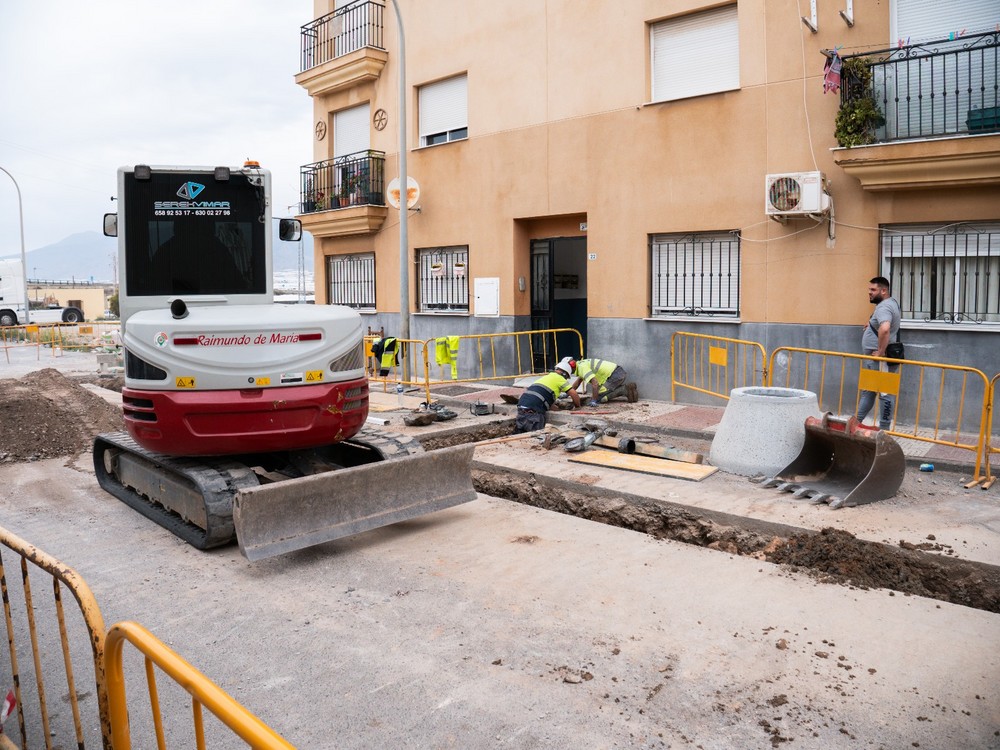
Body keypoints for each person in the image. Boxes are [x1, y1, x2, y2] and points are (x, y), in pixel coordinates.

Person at [856, 276, 901, 430]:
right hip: (874, 361)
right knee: (868, 391)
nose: (869, 293)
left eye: (873, 290)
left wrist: (881, 352)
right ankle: (857, 423)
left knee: (885, 394)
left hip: (880, 360)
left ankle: (884, 430)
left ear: (884, 290)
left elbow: (885, 328)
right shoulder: (890, 303)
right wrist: (871, 322)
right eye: (869, 289)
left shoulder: (884, 307)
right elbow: (882, 322)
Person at [513, 357, 576, 433]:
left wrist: (559, 410)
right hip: (533, 412)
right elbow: (574, 394)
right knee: (537, 437)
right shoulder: (560, 378)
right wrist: (578, 405)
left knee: (521, 437)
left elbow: (547, 402)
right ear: (564, 374)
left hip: (521, 407)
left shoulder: (546, 378)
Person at [566, 357, 638, 407]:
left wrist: (594, 400)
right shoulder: (580, 365)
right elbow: (578, 382)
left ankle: (624, 390)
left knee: (600, 398)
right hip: (617, 373)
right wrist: (568, 393)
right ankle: (625, 389)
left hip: (615, 375)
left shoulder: (582, 368)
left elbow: (595, 384)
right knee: (598, 393)